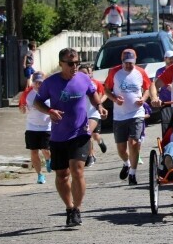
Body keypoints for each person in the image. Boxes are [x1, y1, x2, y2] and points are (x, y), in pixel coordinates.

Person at [33, 48, 108, 227]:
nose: (75, 67)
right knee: (62, 175)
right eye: (70, 63)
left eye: (77, 63)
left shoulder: (83, 78)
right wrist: (49, 111)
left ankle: (77, 210)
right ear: (61, 64)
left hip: (80, 132)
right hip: (59, 136)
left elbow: (92, 92)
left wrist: (99, 106)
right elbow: (37, 102)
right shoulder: (50, 83)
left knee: (77, 170)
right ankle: (69, 207)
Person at [104, 49, 152, 185]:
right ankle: (126, 163)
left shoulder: (140, 72)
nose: (128, 66)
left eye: (131, 63)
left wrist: (143, 98)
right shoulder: (114, 72)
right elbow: (106, 90)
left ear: (135, 61)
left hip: (136, 113)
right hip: (119, 116)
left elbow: (148, 88)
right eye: (126, 63)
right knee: (121, 149)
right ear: (122, 61)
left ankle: (132, 174)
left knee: (134, 143)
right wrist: (114, 98)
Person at [20, 72, 52, 184]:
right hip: (31, 127)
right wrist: (23, 109)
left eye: (41, 82)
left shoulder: (50, 92)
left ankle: (48, 160)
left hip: (46, 127)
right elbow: (21, 108)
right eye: (36, 82)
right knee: (34, 152)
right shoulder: (27, 94)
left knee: (46, 150)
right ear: (33, 83)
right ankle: (40, 175)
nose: (39, 85)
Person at [78, 63, 107, 166]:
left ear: (90, 74)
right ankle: (92, 153)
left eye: (86, 73)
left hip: (94, 112)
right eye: (81, 73)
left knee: (90, 133)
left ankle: (90, 156)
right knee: (90, 135)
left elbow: (104, 94)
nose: (84, 75)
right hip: (82, 114)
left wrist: (100, 104)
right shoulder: (75, 84)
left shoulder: (95, 83)